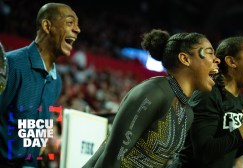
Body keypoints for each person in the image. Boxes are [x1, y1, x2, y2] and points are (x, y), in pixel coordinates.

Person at [83, 29, 220, 168]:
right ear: (185, 59)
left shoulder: (187, 113)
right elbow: (111, 158)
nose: (217, 59)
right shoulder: (154, 92)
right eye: (209, 52)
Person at [0, 3, 80, 167]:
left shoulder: (57, 81)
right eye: (70, 22)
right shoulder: (13, 65)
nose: (77, 30)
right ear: (47, 26)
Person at [178, 36, 243, 168]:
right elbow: (203, 153)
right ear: (231, 61)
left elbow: (225, 152)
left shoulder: (240, 101)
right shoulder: (208, 94)